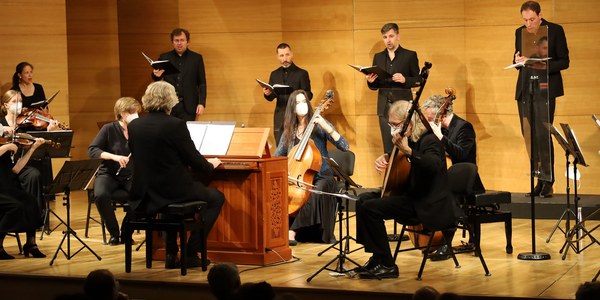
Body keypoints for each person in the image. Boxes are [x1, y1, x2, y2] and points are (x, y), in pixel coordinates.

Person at [354, 100, 461, 279]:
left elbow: (433, 165)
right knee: (363, 200)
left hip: (426, 203)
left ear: (409, 123)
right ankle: (377, 257)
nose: (393, 129)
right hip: (409, 194)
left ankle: (388, 265)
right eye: (391, 125)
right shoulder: (409, 138)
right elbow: (401, 162)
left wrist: (408, 151)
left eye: (395, 125)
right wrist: (387, 156)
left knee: (370, 208)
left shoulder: (429, 140)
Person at [127, 81, 224, 269]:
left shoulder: (135, 126)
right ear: (170, 100)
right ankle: (190, 252)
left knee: (166, 205)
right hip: (173, 189)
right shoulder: (176, 125)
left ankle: (171, 254)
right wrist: (210, 165)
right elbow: (194, 160)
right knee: (216, 198)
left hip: (146, 191)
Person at [274, 90, 349, 245]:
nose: (302, 105)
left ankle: (292, 231)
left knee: (314, 190)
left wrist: (325, 126)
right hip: (298, 178)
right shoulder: (289, 131)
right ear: (292, 108)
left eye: (304, 102)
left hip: (323, 176)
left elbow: (344, 146)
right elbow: (277, 157)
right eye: (298, 103)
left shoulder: (320, 125)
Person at [513, 1, 569, 198]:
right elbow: (519, 60)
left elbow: (564, 61)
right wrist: (517, 61)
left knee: (542, 135)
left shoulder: (555, 30)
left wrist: (540, 65)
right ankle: (538, 180)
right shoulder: (519, 32)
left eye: (532, 19)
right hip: (526, 89)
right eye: (525, 20)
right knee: (529, 135)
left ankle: (548, 181)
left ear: (540, 15)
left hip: (545, 90)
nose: (528, 24)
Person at [88, 97, 140, 245]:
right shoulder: (109, 129)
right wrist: (115, 157)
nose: (137, 115)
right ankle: (114, 233)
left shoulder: (138, 130)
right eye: (133, 112)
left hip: (130, 176)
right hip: (108, 175)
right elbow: (92, 150)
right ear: (123, 113)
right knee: (100, 195)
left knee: (141, 195)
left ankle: (126, 231)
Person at [1, 90, 59, 220]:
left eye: (20, 101)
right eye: (15, 101)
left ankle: (36, 216)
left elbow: (39, 136)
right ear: (5, 105)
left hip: (19, 165)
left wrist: (49, 131)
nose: (19, 104)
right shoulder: (1, 124)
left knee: (34, 174)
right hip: (4, 167)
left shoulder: (25, 124)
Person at [366, 23, 420, 155]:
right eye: (385, 37)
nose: (388, 40)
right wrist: (371, 82)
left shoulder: (410, 55)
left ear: (398, 36)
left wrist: (405, 79)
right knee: (388, 148)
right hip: (384, 106)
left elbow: (419, 80)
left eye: (391, 36)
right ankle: (391, 174)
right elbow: (375, 86)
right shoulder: (378, 57)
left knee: (405, 145)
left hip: (403, 108)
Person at [0, 134, 46, 260]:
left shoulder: (3, 143)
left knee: (31, 201)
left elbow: (15, 169)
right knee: (15, 206)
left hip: (6, 186)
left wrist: (32, 149)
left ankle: (30, 244)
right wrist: (7, 147)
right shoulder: (4, 146)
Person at [152, 28, 207, 121]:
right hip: (169, 105)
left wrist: (201, 103)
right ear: (172, 42)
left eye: (182, 40)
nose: (179, 43)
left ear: (187, 42)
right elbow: (156, 78)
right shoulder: (164, 57)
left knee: (187, 133)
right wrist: (156, 75)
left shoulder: (196, 58)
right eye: (176, 40)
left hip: (189, 107)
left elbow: (202, 83)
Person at [263, 43, 313, 146]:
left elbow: (309, 94)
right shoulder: (274, 74)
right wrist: (267, 93)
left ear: (292, 54)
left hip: (297, 115)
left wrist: (297, 94)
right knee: (280, 148)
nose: (285, 58)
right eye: (281, 55)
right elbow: (271, 97)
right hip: (280, 116)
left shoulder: (302, 73)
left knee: (296, 147)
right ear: (278, 57)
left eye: (287, 54)